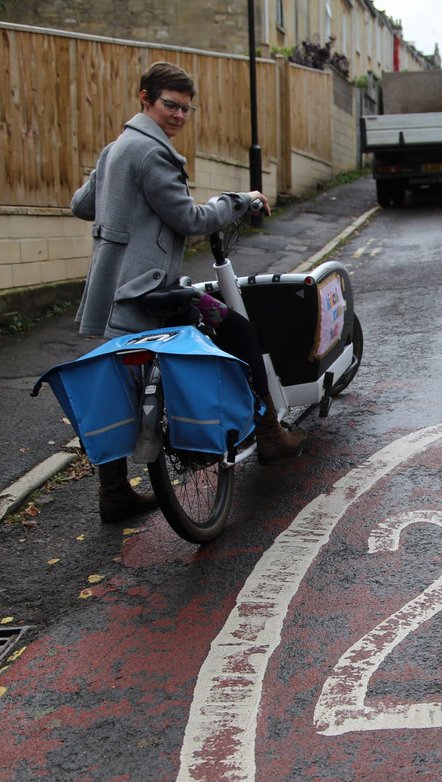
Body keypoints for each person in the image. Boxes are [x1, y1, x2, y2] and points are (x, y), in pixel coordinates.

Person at [72, 61, 305, 523]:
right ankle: (271, 434)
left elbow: (81, 205)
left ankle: (114, 490)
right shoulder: (151, 153)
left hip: (110, 289)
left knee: (118, 383)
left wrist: (127, 217)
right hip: (151, 291)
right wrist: (240, 201)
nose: (178, 115)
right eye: (169, 105)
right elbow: (191, 220)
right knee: (236, 330)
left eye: (185, 109)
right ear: (145, 99)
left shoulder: (116, 149)